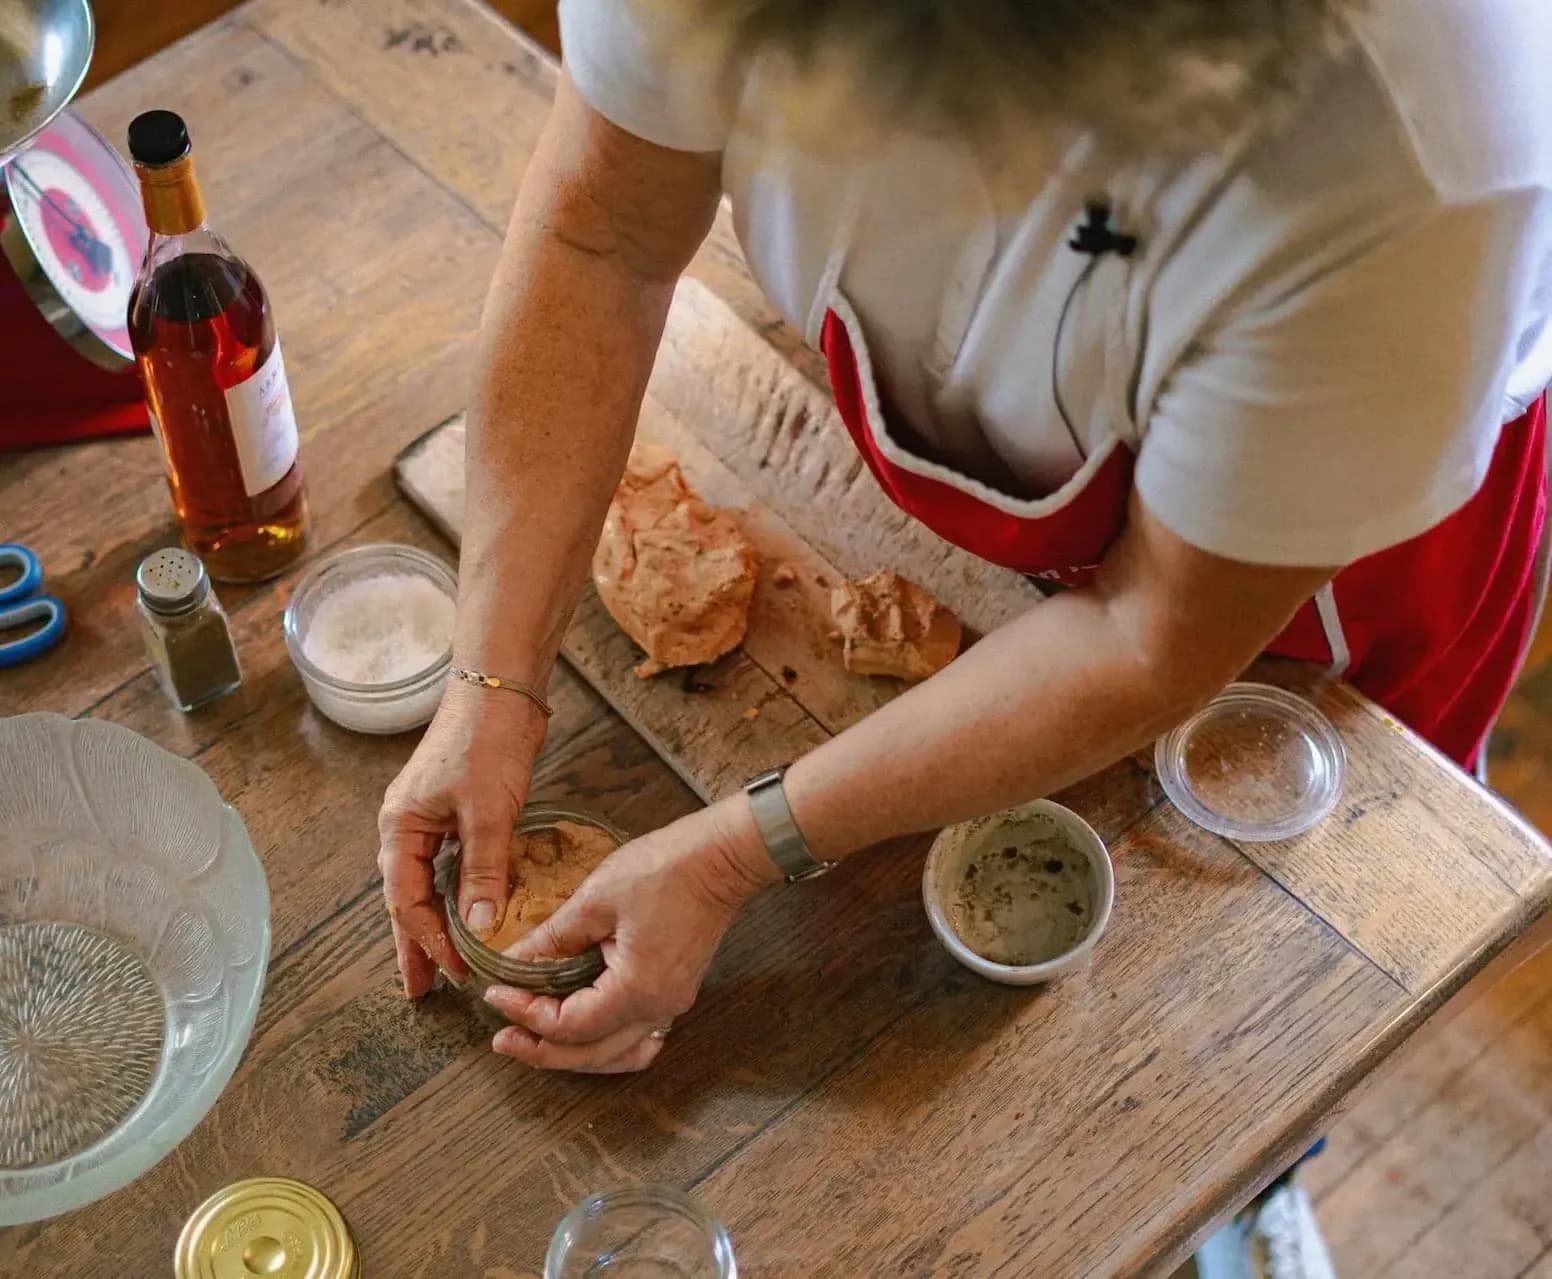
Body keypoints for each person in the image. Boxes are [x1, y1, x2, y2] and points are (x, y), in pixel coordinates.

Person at [379, 0, 1552, 1077]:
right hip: (1079, 518)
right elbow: (606, 238)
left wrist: (737, 852)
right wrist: (493, 676)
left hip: (1307, 586)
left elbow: (1151, 636)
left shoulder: (1407, 151)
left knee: (1251, 1012)